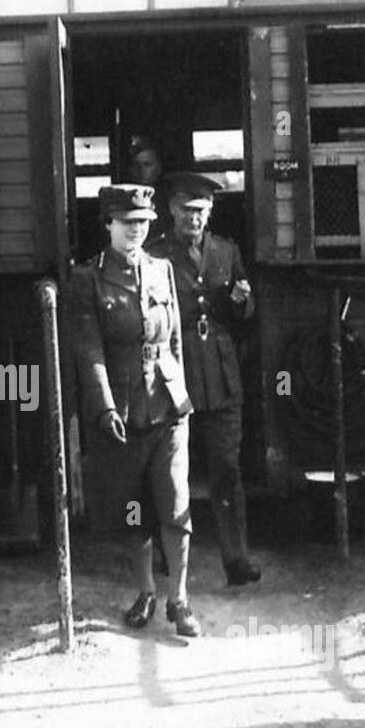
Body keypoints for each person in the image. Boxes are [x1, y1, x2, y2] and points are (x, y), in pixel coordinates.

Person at [66, 184, 200, 637]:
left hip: (167, 408)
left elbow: (175, 340)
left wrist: (180, 397)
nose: (135, 232)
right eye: (126, 224)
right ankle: (146, 592)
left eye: (142, 223)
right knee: (133, 511)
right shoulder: (88, 278)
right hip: (122, 413)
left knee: (175, 503)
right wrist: (104, 407)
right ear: (107, 225)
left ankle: (179, 600)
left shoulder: (163, 269)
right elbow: (89, 350)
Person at [146, 172, 261, 587]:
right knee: (168, 470)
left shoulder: (226, 252)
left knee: (226, 469)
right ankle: (167, 556)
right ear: (171, 211)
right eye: (184, 210)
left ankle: (236, 559)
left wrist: (240, 304)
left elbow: (246, 317)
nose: (192, 218)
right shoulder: (155, 255)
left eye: (200, 211)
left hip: (221, 376)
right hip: (175, 373)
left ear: (210, 212)